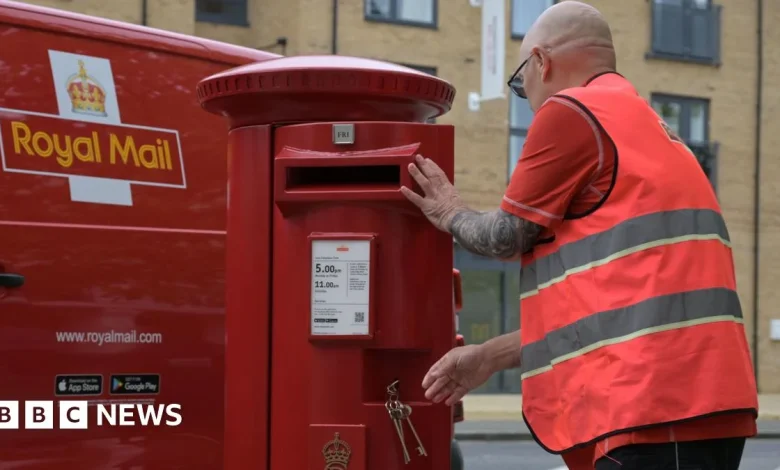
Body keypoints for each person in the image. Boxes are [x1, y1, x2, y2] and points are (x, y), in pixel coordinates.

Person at [399, 1, 759, 469]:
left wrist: (450, 211)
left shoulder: (571, 111)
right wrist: (488, 356)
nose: (525, 96)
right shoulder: (650, 127)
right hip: (703, 403)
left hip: (649, 408)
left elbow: (507, 237)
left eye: (519, 81)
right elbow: (611, 318)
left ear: (541, 63)